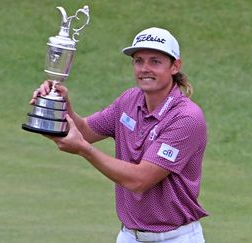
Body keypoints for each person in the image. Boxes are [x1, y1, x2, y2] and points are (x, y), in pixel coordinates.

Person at [31, 27, 208, 242]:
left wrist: (86, 151)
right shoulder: (130, 100)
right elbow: (84, 132)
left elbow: (140, 180)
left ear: (175, 66)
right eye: (138, 61)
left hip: (175, 238)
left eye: (155, 61)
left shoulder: (186, 118)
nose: (145, 68)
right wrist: (58, 105)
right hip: (129, 236)